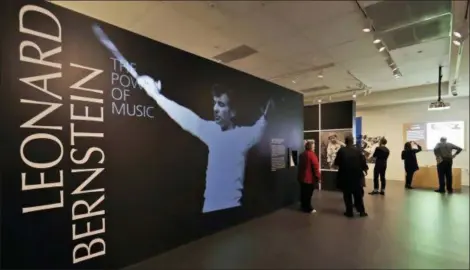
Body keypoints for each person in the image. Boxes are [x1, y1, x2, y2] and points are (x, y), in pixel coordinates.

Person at [136, 76, 271, 213]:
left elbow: (261, 126)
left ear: (233, 112)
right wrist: (156, 95)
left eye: (221, 104)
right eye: (215, 103)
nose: (215, 108)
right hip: (209, 208)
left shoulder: (244, 135)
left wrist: (267, 114)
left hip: (232, 208)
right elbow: (185, 118)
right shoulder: (212, 131)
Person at [334, 135, 368, 218]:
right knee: (358, 195)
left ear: (345, 141)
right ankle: (361, 212)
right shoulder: (358, 150)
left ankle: (349, 212)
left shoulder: (341, 150)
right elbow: (363, 162)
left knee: (347, 195)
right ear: (352, 141)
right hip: (357, 176)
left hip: (345, 176)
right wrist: (365, 169)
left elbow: (337, 163)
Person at [297, 141, 321, 213]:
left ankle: (303, 206)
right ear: (310, 147)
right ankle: (308, 208)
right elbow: (315, 167)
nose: (314, 148)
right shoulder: (312, 155)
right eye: (313, 147)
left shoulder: (302, 154)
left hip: (301, 177)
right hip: (309, 179)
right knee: (308, 194)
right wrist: (318, 177)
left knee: (303, 192)